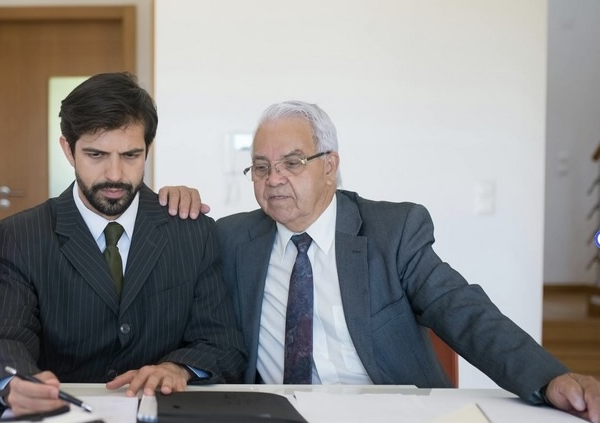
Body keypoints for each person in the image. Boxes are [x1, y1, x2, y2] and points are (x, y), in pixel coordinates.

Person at [215, 100, 600, 422]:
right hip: (276, 414)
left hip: (388, 414)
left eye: (293, 162)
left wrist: (549, 378)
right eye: (261, 167)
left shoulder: (392, 231)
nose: (273, 179)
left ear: (329, 166)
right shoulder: (231, 239)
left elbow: (462, 310)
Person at [0, 72, 246, 416]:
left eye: (130, 155)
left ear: (148, 150)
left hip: (161, 410)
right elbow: (1, 336)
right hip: (63, 414)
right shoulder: (21, 236)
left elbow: (222, 344)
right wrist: (13, 384)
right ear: (68, 150)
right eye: (96, 155)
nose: (115, 175)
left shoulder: (191, 231)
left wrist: (180, 368)